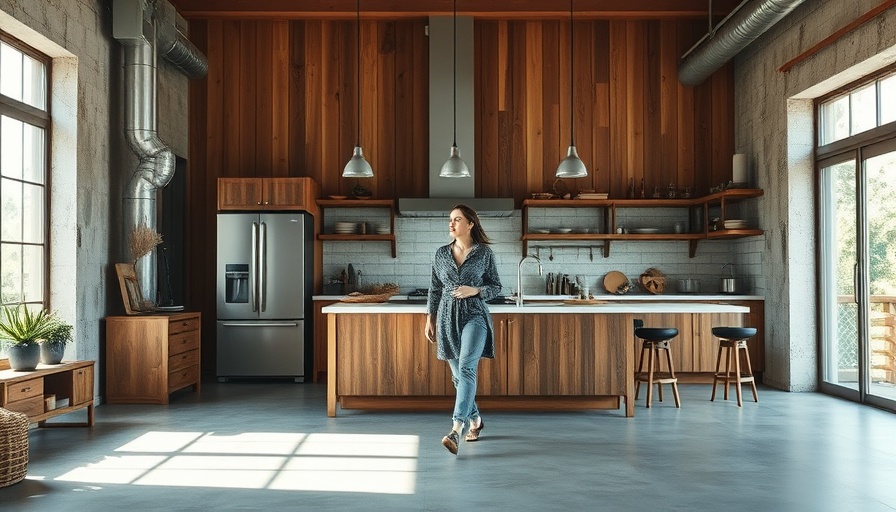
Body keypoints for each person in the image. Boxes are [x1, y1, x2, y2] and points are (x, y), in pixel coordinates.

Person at [425, 204, 502, 456]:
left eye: (457, 219)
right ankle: (476, 420)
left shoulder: (484, 254)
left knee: (468, 368)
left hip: (475, 315)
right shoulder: (440, 254)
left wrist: (476, 290)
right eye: (450, 219)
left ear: (470, 224)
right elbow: (435, 289)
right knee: (458, 378)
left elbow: (496, 286)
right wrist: (430, 318)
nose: (451, 223)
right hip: (447, 317)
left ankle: (456, 429)